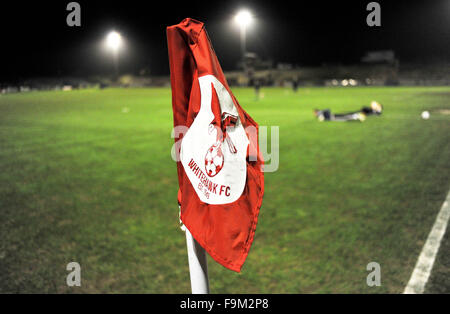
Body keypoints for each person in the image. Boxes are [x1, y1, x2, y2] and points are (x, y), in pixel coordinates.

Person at [313, 101, 383, 122]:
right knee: (345, 115)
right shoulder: (322, 115)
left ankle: (356, 117)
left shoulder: (322, 115)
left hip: (357, 114)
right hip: (357, 114)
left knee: (345, 115)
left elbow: (364, 109)